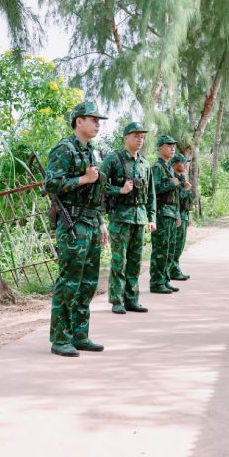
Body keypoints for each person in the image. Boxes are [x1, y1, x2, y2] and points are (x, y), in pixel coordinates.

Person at [44, 101, 110, 357]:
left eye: (98, 120)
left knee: (88, 282)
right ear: (78, 121)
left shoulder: (93, 151)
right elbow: (51, 184)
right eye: (92, 119)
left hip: (91, 222)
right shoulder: (64, 149)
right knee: (69, 282)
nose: (97, 124)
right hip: (72, 224)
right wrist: (83, 178)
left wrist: (101, 221)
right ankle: (60, 338)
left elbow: (97, 191)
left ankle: (80, 335)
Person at [99, 121, 156, 314]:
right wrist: (119, 190)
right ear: (126, 138)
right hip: (120, 218)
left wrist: (152, 217)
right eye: (136, 136)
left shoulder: (145, 163)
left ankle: (132, 299)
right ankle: (117, 300)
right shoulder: (113, 160)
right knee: (119, 260)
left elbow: (151, 194)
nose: (140, 139)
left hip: (139, 218)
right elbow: (98, 185)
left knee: (135, 261)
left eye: (142, 136)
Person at [149, 135, 181, 294]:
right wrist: (170, 183)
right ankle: (156, 282)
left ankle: (165, 279)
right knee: (160, 250)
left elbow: (174, 196)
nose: (172, 148)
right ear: (160, 148)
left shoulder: (168, 167)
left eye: (173, 145)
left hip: (170, 212)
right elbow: (152, 190)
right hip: (161, 213)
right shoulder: (157, 167)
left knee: (168, 249)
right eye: (168, 145)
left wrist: (177, 214)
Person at [170, 153, 193, 281]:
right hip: (176, 215)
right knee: (176, 245)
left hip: (183, 214)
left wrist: (188, 215)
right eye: (182, 162)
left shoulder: (182, 177)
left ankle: (175, 268)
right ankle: (173, 270)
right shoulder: (173, 178)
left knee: (180, 244)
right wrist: (186, 189)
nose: (185, 165)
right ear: (175, 164)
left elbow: (186, 202)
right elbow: (176, 199)